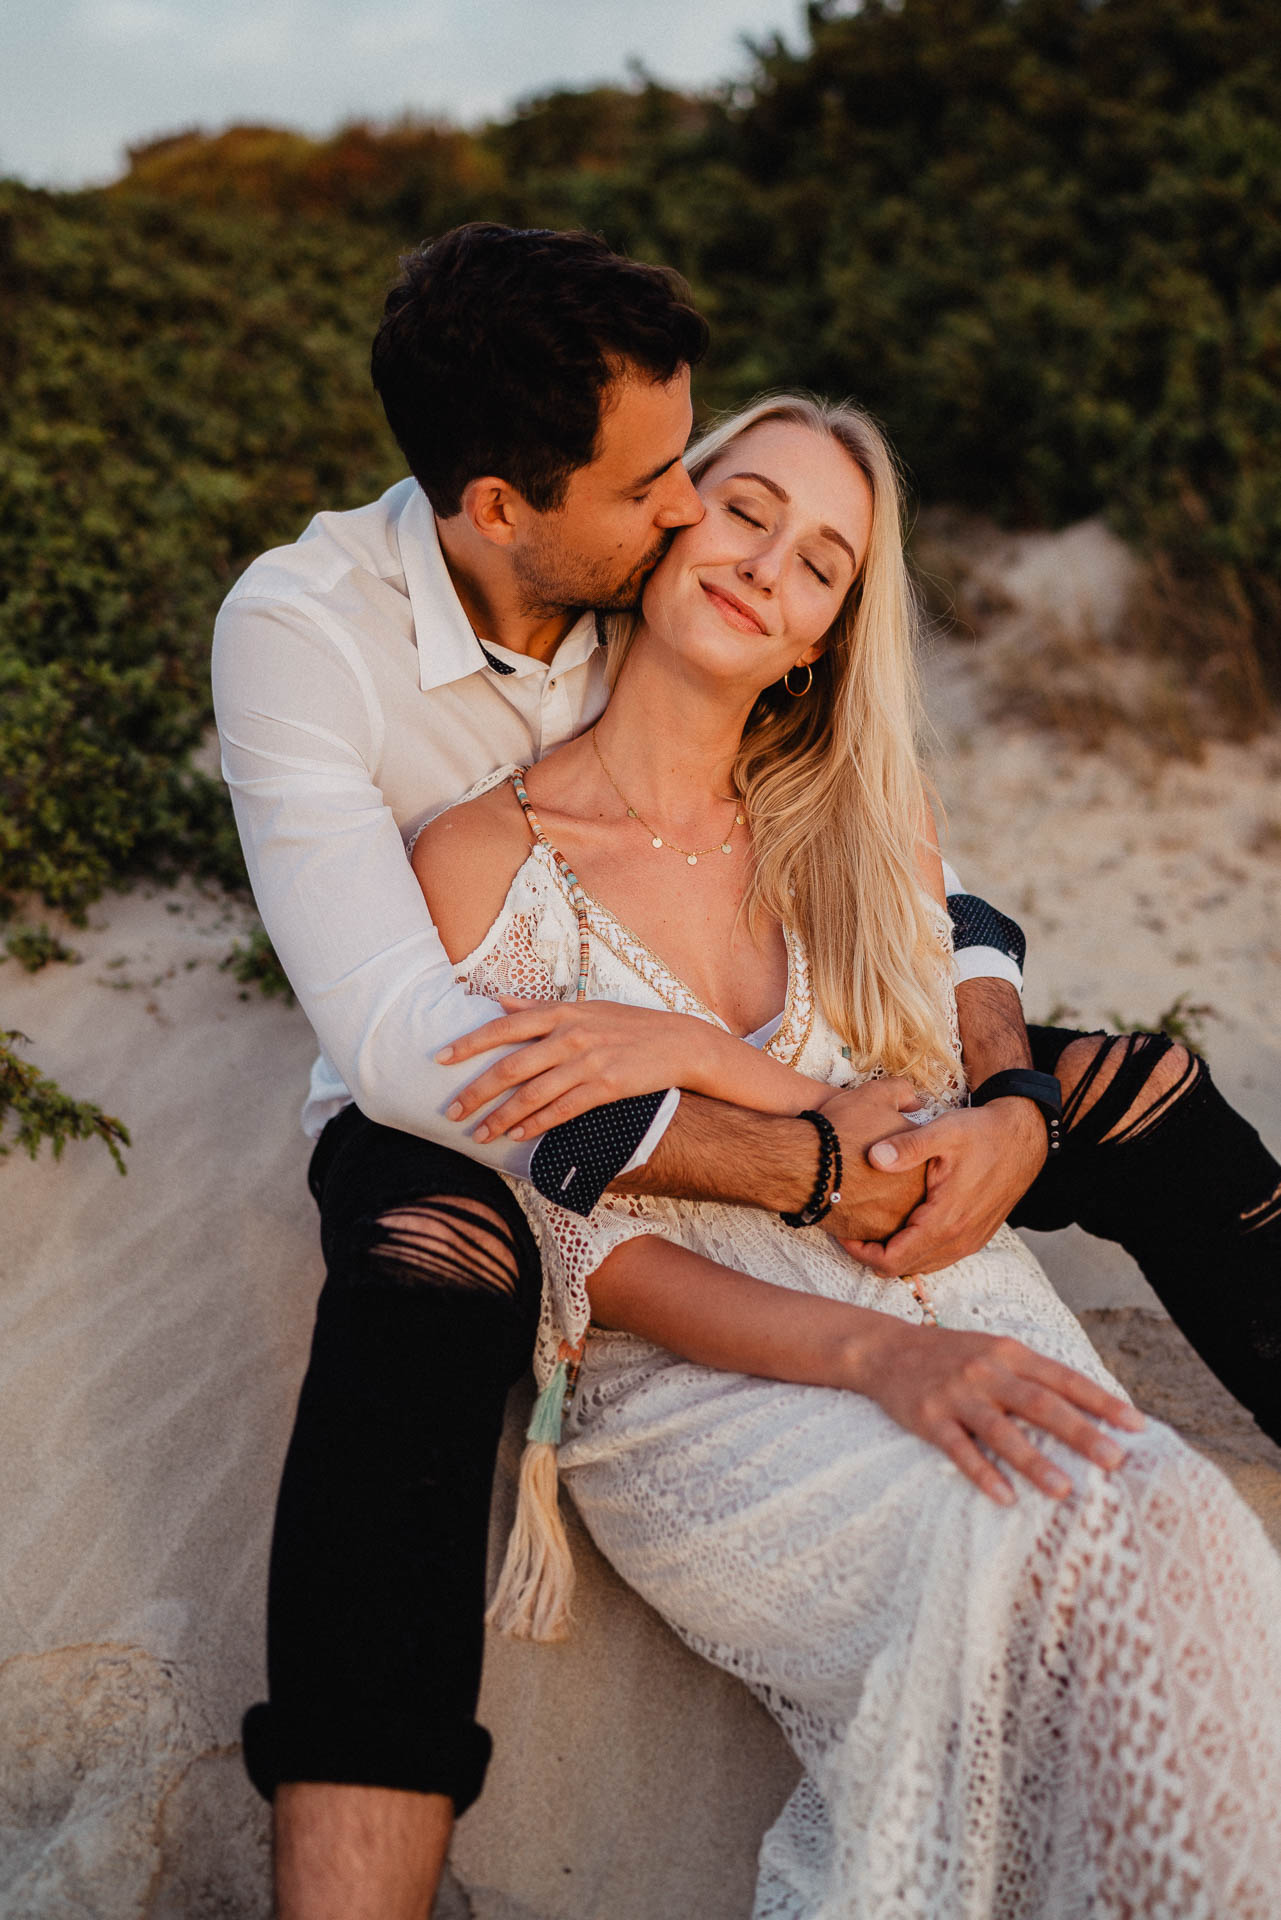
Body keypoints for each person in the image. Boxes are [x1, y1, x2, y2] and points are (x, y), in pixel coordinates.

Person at [210, 224, 1281, 1918]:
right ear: (509, 511)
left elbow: (946, 922)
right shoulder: (316, 642)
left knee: (1137, 1146)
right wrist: (788, 1121)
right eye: (686, 493)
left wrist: (1003, 1105)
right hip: (475, 1117)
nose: (694, 523)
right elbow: (432, 1054)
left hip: (822, 1127)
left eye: (807, 555)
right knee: (426, 1295)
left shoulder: (781, 734)